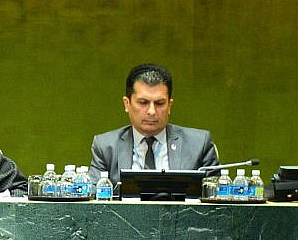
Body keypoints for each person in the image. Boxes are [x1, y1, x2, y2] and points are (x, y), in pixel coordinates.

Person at [90, 63, 218, 184]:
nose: (151, 111)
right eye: (143, 102)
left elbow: (216, 201)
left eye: (159, 103)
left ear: (169, 106)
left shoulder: (199, 145)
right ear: (127, 104)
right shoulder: (106, 147)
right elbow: (95, 201)